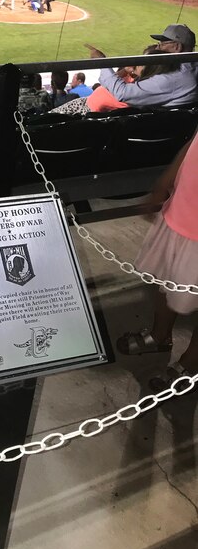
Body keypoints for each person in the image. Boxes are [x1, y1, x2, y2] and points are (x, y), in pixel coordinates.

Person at [116, 128, 198, 391]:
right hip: (183, 208)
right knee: (167, 278)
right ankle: (159, 334)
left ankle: (193, 361)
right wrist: (166, 181)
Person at [86, 26, 198, 107]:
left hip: (155, 131)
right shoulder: (192, 66)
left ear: (177, 47)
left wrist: (103, 62)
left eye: (162, 44)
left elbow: (122, 93)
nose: (157, 49)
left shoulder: (174, 76)